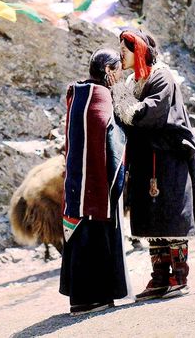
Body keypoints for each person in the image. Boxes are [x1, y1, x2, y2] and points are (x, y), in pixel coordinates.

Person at [109, 29, 195, 302]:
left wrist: (119, 91)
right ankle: (159, 277)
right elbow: (126, 121)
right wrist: (121, 92)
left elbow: (149, 114)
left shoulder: (161, 77)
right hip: (147, 159)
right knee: (150, 218)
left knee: (171, 214)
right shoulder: (137, 80)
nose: (120, 54)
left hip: (170, 159)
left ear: (140, 51)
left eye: (125, 49)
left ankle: (179, 277)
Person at [59, 48, 130, 316]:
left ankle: (81, 298)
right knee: (93, 234)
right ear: (109, 72)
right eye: (118, 70)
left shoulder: (79, 93)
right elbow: (111, 139)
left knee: (82, 235)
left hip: (76, 183)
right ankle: (91, 298)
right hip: (94, 184)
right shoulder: (99, 95)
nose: (122, 75)